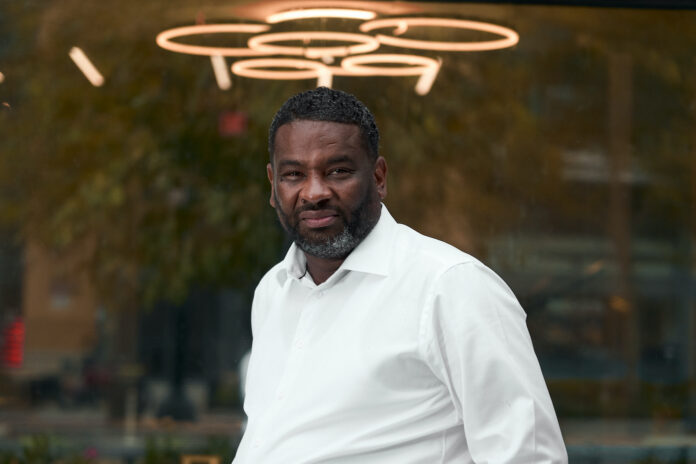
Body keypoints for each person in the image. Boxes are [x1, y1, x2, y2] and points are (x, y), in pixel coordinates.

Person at [233, 87, 567, 463]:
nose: (314, 192)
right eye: (293, 174)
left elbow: (530, 455)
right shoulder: (273, 290)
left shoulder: (451, 286)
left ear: (378, 177)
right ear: (273, 186)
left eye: (337, 171)